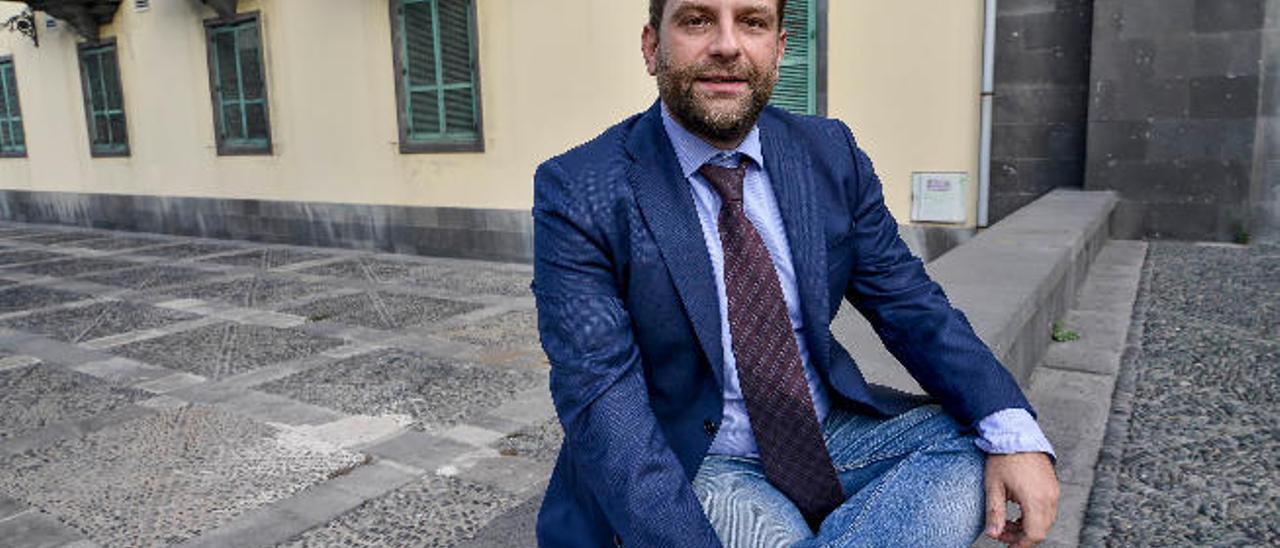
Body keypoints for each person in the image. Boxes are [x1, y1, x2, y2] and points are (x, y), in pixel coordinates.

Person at [531, 0, 1060, 546]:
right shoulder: (581, 189)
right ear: (651, 46)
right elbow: (600, 398)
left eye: (753, 22)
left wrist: (1015, 432)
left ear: (779, 49)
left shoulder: (829, 153)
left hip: (828, 431)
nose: (727, 46)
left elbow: (909, 304)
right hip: (698, 454)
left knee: (983, 446)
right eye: (696, 20)